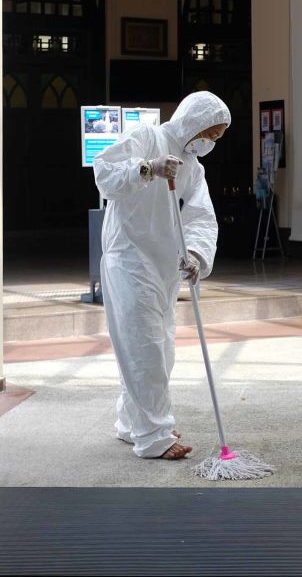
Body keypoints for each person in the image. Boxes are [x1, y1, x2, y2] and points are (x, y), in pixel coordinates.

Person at [93, 91, 229, 460]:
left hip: (164, 265)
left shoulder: (193, 167)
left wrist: (197, 256)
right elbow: (103, 173)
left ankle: (132, 421)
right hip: (129, 258)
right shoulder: (146, 137)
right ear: (193, 122)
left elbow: (202, 217)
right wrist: (147, 169)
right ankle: (154, 435)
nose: (210, 143)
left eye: (216, 138)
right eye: (209, 134)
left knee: (159, 349)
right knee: (144, 346)